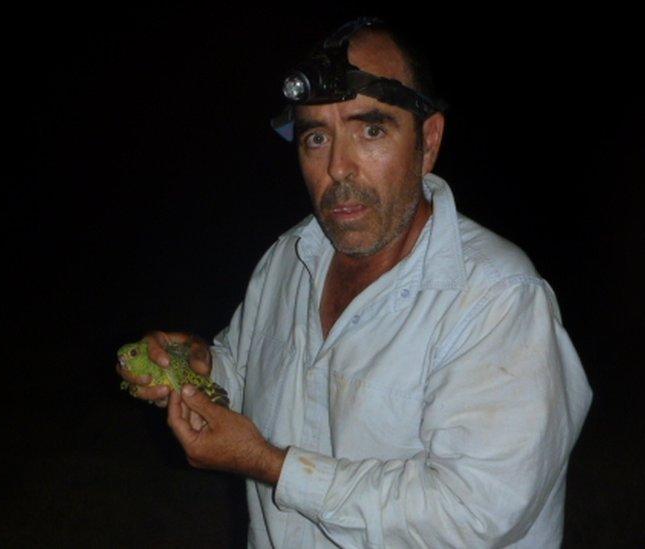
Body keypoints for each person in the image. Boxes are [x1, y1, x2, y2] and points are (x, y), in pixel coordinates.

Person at [116, 18, 592, 548]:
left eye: (371, 129)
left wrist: (273, 467)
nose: (339, 167)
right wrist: (204, 368)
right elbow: (249, 375)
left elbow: (472, 513)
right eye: (316, 137)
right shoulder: (288, 259)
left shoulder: (497, 297)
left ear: (428, 140)